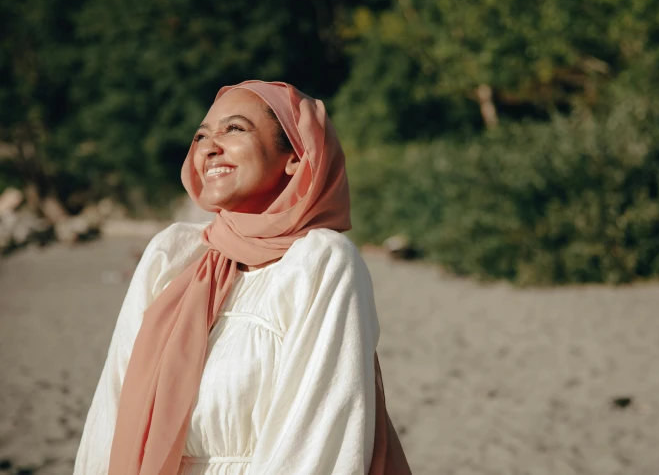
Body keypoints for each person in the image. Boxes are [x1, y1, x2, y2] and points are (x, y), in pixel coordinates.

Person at [74, 81, 410, 474]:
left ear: (296, 157)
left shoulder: (320, 263)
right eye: (201, 135)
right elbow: (111, 410)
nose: (209, 146)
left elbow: (318, 438)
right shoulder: (175, 257)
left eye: (234, 129)